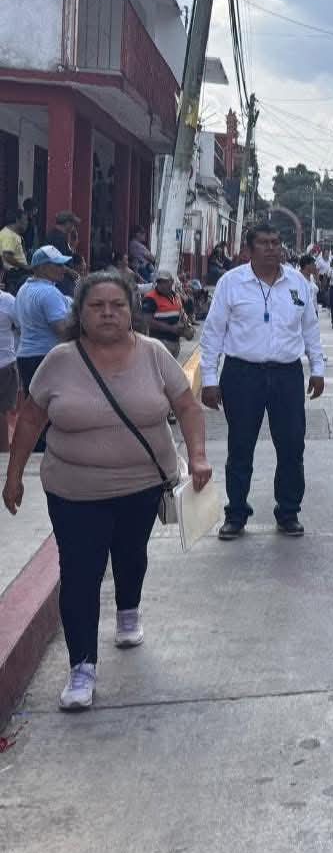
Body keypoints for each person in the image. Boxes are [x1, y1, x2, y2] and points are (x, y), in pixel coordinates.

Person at [3, 271, 212, 710]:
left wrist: (197, 455)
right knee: (80, 572)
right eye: (97, 306)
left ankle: (128, 610)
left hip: (141, 485)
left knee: (131, 554)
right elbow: (32, 418)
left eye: (117, 305)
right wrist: (15, 474)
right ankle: (82, 667)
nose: (108, 314)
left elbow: (186, 406)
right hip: (75, 490)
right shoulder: (60, 360)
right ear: (79, 313)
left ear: (131, 310)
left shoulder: (154, 354)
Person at [200, 223, 325, 540]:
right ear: (249, 250)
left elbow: (310, 329)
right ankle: (236, 513)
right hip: (242, 374)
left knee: (292, 445)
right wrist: (209, 378)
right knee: (240, 446)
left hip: (287, 375)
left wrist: (318, 368)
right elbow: (213, 333)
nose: (272, 248)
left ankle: (288, 512)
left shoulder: (298, 283)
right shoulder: (232, 283)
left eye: (276, 242)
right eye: (264, 243)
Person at [16, 245, 74, 451]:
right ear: (41, 268)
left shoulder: (24, 289)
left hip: (26, 354)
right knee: (52, 407)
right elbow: (61, 328)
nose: (62, 269)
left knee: (35, 406)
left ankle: (36, 447)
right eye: (57, 264)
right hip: (47, 355)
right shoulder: (49, 293)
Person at [140, 271, 191, 358]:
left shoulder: (176, 297)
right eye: (159, 282)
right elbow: (146, 321)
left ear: (171, 282)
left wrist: (187, 327)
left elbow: (181, 314)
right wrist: (171, 328)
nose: (162, 285)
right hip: (159, 343)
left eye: (165, 282)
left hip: (175, 342)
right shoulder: (151, 298)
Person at [0, 284, 18, 452]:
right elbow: (19, 325)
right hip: (4, 364)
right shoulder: (7, 300)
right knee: (1, 412)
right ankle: (3, 457)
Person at [0, 206, 27, 291]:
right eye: (25, 219)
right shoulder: (9, 235)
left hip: (16, 274)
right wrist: (25, 266)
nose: (27, 222)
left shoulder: (14, 235)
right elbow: (7, 256)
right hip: (13, 276)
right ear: (17, 220)